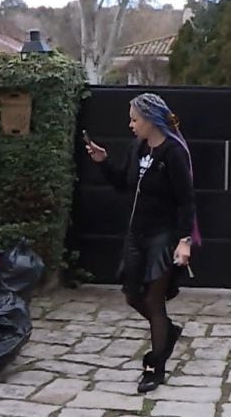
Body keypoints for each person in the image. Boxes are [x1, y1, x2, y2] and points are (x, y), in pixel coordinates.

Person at [85, 92, 199, 393]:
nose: (131, 124)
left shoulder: (173, 153)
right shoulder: (137, 148)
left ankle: (154, 366)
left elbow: (187, 202)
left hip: (163, 237)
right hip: (136, 235)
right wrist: (104, 162)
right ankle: (169, 333)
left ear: (150, 120)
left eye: (135, 119)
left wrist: (184, 241)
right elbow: (123, 183)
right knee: (132, 295)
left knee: (153, 301)